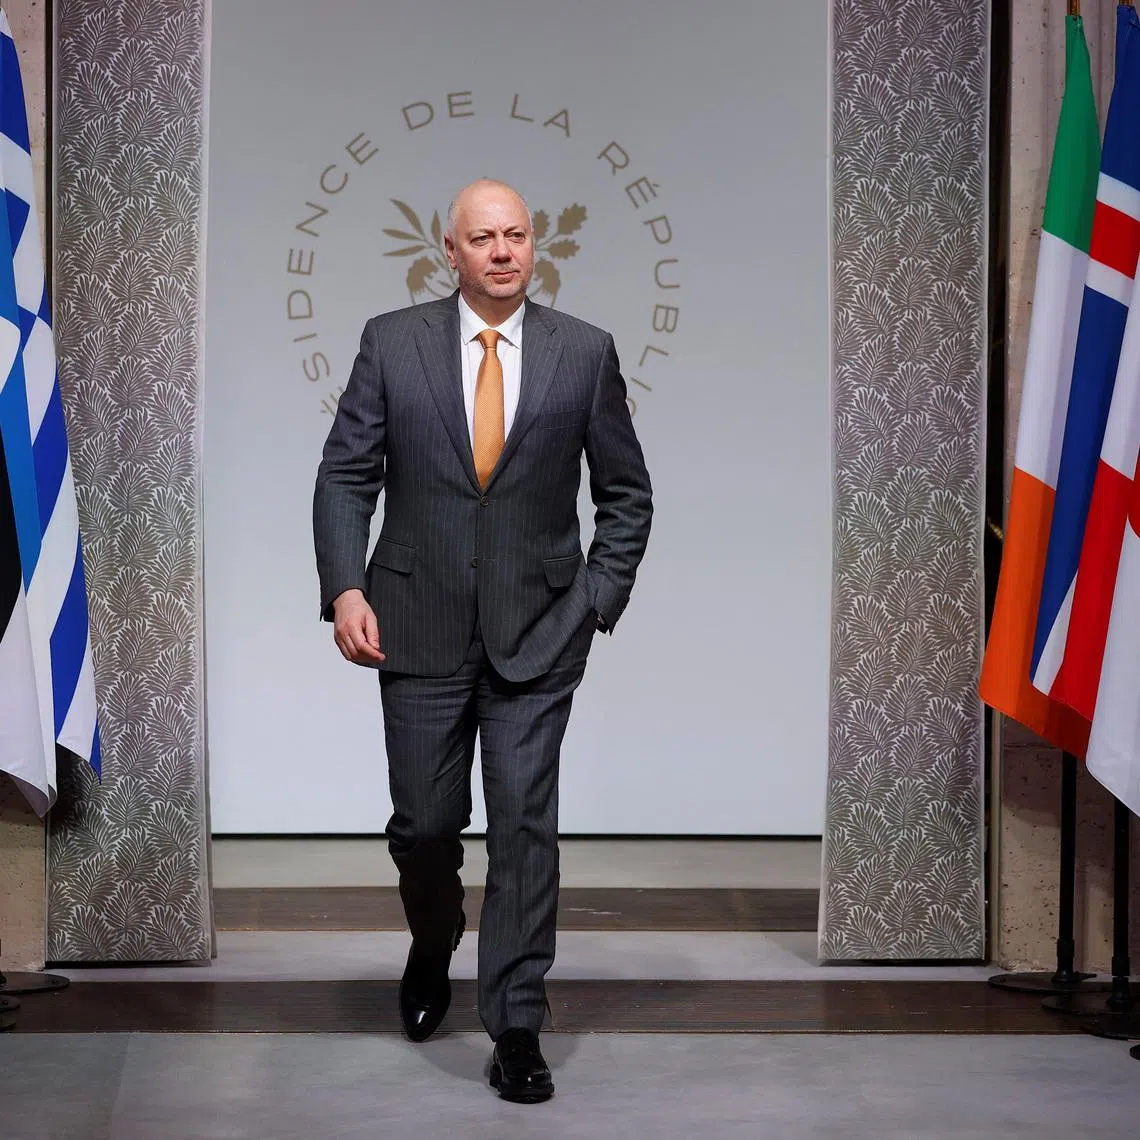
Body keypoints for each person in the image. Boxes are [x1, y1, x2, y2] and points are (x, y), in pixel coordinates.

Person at [312, 179, 652, 1103]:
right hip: (413, 627)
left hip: (541, 635)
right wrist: (345, 586)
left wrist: (593, 599)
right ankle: (432, 940)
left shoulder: (585, 353)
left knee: (523, 829)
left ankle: (515, 1024)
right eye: (483, 238)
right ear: (448, 250)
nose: (503, 252)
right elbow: (346, 476)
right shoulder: (393, 342)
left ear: (535, 245)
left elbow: (626, 493)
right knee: (425, 828)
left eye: (517, 235)